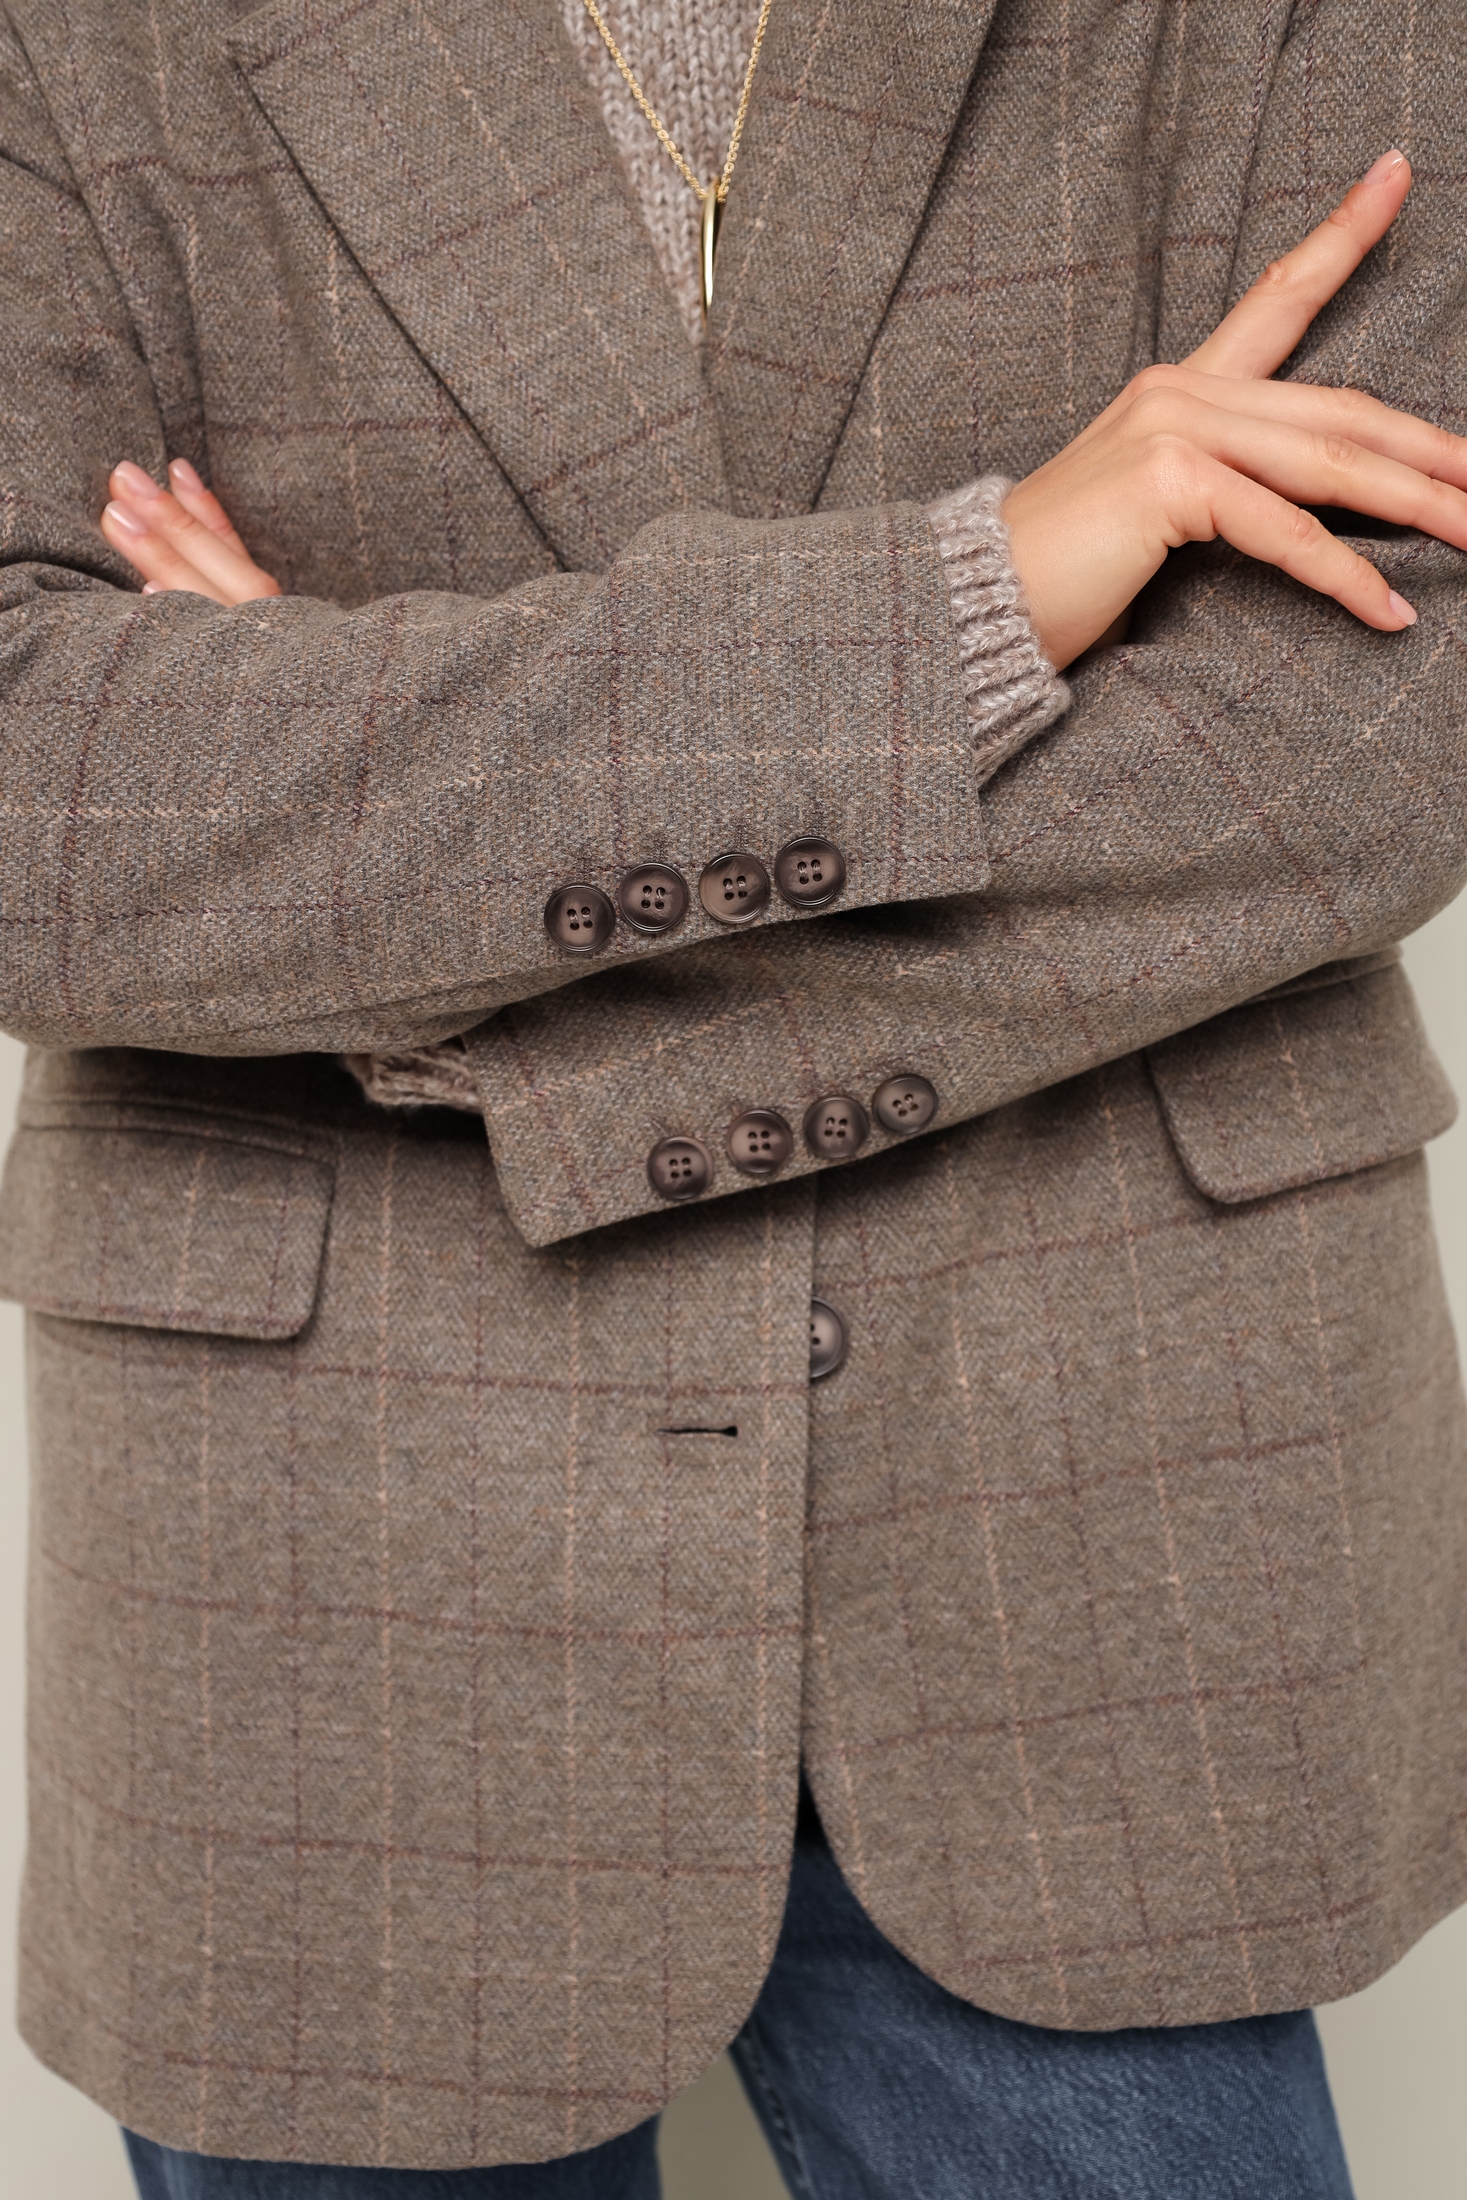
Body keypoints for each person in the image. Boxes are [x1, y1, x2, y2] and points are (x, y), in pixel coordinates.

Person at [0, 0, 1464, 2193]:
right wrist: (960, 607)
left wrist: (442, 960)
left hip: (1104, 1488)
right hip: (334, 1546)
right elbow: (44, 809)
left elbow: (1367, 733)